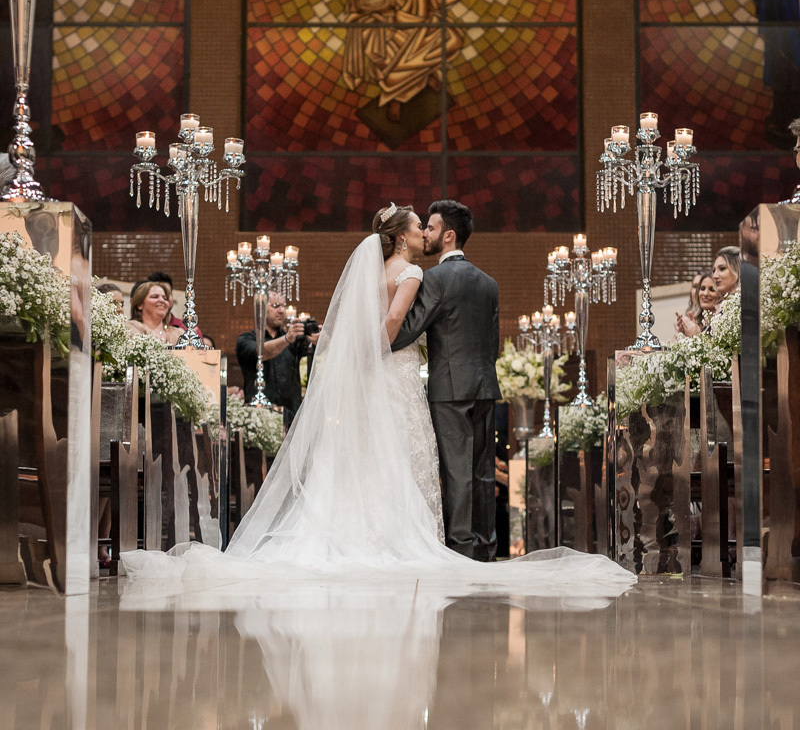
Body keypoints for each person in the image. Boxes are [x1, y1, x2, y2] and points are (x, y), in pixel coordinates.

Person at [121, 201, 636, 601]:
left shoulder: (375, 270)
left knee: (369, 457)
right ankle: (411, 540)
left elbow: (365, 322)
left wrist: (358, 355)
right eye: (418, 228)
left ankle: (359, 533)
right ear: (404, 236)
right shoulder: (413, 274)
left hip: (380, 372)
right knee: (402, 456)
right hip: (395, 371)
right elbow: (392, 324)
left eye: (428, 227)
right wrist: (376, 354)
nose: (424, 234)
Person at [390, 200, 501, 561]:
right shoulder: (488, 283)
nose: (425, 233)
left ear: (449, 236)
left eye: (432, 228)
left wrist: (373, 335)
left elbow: (408, 330)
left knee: (457, 473)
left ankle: (461, 550)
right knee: (483, 474)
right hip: (485, 386)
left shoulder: (435, 279)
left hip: (449, 388)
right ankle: (485, 549)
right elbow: (494, 344)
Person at [235, 291, 318, 426]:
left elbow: (313, 354)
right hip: (259, 419)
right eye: (275, 306)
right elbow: (261, 352)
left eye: (283, 306)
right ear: (261, 310)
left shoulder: (294, 341)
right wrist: (286, 339)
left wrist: (319, 340)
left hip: (291, 419)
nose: (281, 311)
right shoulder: (245, 339)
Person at [126, 281, 182, 345]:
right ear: (140, 304)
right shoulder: (131, 328)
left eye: (165, 298)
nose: (162, 300)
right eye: (155, 297)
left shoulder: (179, 333)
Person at [675, 271, 719, 337]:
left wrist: (696, 335)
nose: (705, 293)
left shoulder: (722, 320)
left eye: (712, 289)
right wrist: (682, 334)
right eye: (702, 289)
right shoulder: (691, 320)